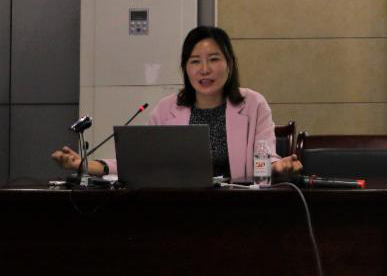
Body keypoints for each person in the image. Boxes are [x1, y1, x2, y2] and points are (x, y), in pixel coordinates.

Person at [52, 26, 302, 182]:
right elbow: (141, 163)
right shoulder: (166, 109)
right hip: (180, 208)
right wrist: (87, 165)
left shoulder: (254, 104)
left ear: (229, 64)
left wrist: (280, 166)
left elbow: (266, 158)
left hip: (237, 209)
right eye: (195, 61)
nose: (204, 69)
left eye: (214, 59)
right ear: (185, 68)